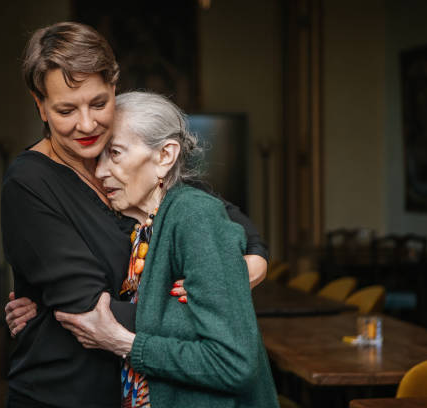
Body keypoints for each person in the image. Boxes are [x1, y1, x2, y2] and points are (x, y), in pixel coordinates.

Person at [2, 21, 268, 407]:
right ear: (39, 105)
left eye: (98, 103)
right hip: (64, 393)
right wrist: (215, 312)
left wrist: (254, 261)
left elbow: (220, 214)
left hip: (142, 389)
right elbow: (91, 314)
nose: (87, 124)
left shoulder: (119, 160)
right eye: (65, 110)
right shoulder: (30, 183)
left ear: (114, 88)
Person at [54, 91, 278, 407]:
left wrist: (123, 344)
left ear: (165, 156)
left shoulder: (194, 217)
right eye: (98, 157)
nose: (101, 171)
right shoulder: (141, 229)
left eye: (115, 153)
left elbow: (233, 363)